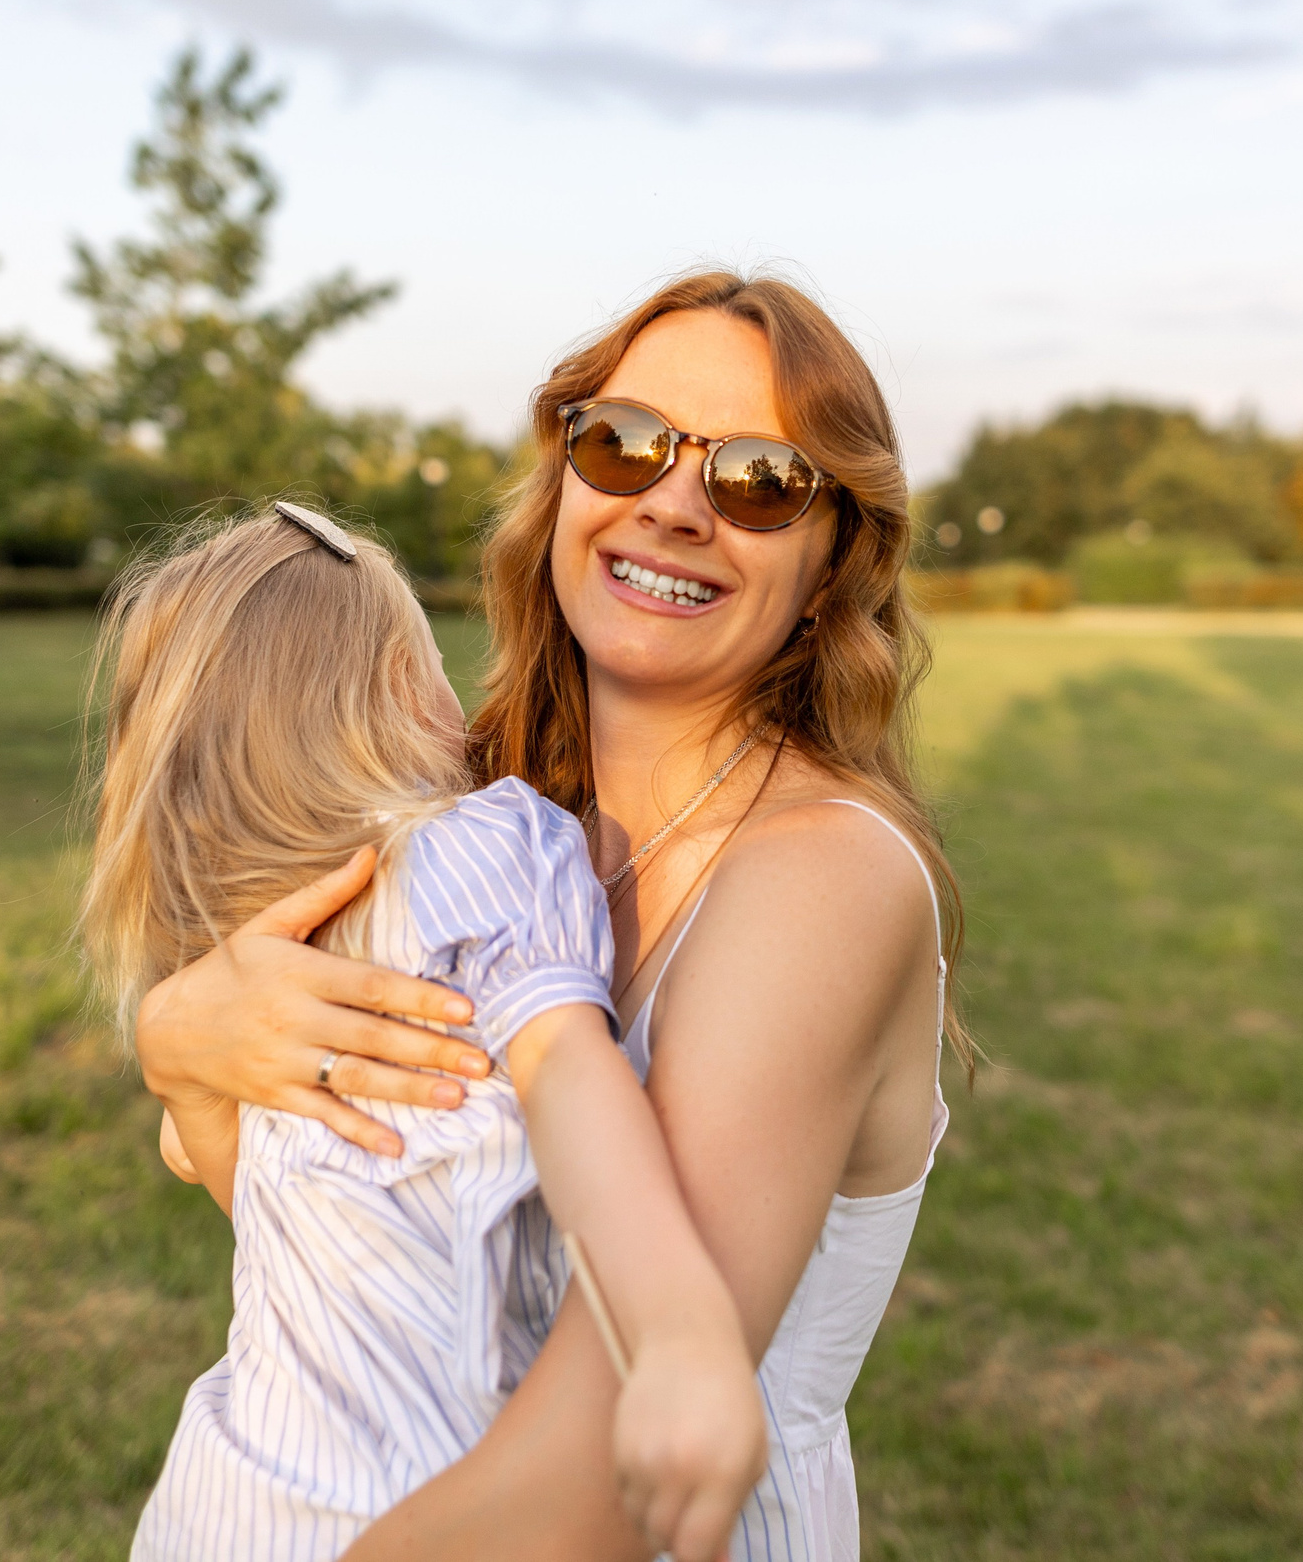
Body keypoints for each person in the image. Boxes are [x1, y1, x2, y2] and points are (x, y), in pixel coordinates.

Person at [140, 272, 963, 1561]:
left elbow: (593, 1480)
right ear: (567, 483)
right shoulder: (477, 828)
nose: (675, 504)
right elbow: (368, 1257)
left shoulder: (821, 880)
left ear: (830, 565)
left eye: (757, 482)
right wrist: (183, 1041)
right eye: (623, 443)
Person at [83, 504, 768, 1562]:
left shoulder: (250, 959)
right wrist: (679, 1332)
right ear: (403, 692)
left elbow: (235, 1191)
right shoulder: (481, 847)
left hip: (224, 1506)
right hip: (434, 1501)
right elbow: (568, 1072)